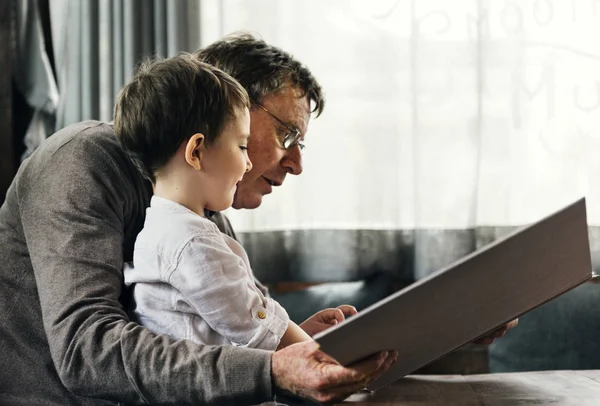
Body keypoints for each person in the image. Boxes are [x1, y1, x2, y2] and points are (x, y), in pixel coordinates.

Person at [0, 32, 511, 405]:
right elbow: (87, 351)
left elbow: (244, 330)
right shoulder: (82, 162)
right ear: (226, 106)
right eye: (287, 135)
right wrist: (271, 368)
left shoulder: (199, 210)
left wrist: (447, 324)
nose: (297, 163)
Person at [116, 53, 317, 350]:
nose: (247, 164)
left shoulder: (162, 231)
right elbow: (255, 327)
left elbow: (232, 327)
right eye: (241, 146)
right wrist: (322, 357)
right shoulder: (191, 243)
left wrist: (302, 334)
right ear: (196, 151)